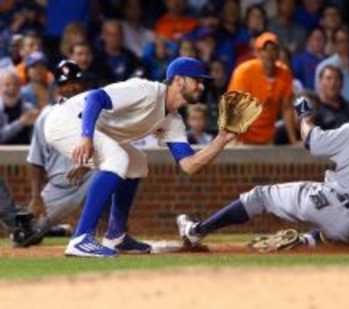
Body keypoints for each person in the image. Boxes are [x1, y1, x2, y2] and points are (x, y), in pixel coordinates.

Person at [176, 86, 349, 252]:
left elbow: (311, 140)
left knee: (260, 196)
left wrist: (304, 115)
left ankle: (197, 231)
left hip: (326, 202)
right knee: (328, 235)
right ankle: (305, 242)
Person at [42, 56, 237, 257]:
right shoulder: (146, 90)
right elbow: (96, 98)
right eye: (197, 80)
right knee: (118, 158)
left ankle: (116, 237)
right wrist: (86, 137)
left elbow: (189, 165)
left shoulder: (173, 120)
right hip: (66, 121)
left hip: (87, 128)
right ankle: (81, 238)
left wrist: (221, 140)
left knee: (137, 163)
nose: (201, 87)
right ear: (179, 80)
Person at [12, 61, 91, 247]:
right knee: (23, 236)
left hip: (91, 176)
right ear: (57, 88)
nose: (72, 86)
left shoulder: (96, 109)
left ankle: (107, 233)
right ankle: (59, 229)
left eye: (75, 81)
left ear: (83, 84)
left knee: (111, 176)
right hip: (59, 186)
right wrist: (36, 197)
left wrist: (88, 165)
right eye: (65, 83)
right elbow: (35, 161)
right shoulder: (47, 115)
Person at [228, 32, 298, 145]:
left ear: (278, 53)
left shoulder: (285, 73)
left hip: (267, 137)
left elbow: (287, 108)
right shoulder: (243, 72)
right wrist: (234, 141)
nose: (269, 54)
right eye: (265, 50)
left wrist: (293, 141)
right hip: (241, 138)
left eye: (273, 49)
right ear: (257, 53)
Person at [311, 65, 349, 129]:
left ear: (342, 83)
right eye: (328, 78)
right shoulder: (313, 113)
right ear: (320, 82)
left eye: (337, 79)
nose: (333, 83)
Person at [0, 70, 39, 144]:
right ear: (0, 87)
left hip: (25, 152)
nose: (12, 88)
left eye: (15, 84)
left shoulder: (29, 108)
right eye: (7, 85)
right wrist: (20, 123)